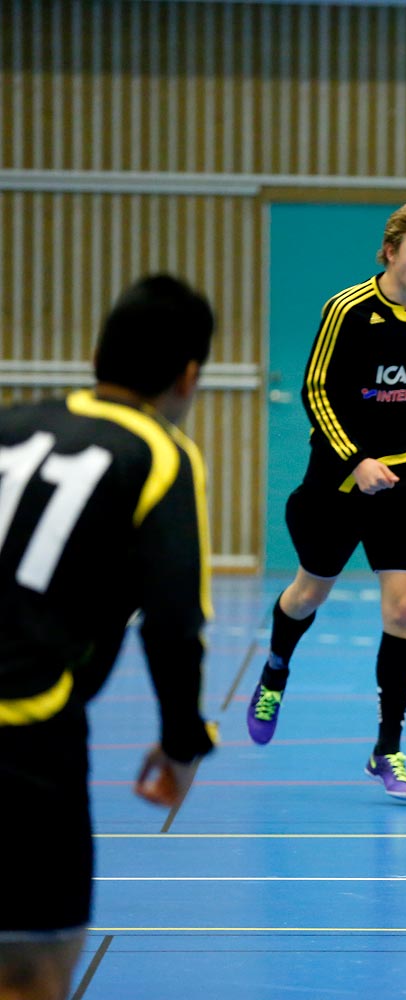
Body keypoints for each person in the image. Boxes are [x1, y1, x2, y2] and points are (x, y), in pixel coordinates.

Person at [0, 275, 219, 1000]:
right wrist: (183, 742)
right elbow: (173, 622)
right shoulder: (160, 453)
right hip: (23, 730)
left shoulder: (13, 422)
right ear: (189, 375)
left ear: (97, 353)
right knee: (33, 968)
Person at [245, 196, 406, 803]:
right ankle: (275, 669)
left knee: (402, 611)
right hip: (340, 480)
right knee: (308, 592)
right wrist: (356, 460)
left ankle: (387, 748)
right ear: (391, 252)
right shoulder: (348, 309)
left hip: (405, 482)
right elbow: (315, 389)